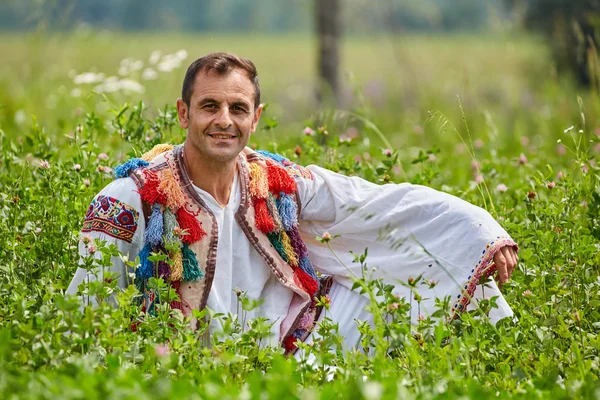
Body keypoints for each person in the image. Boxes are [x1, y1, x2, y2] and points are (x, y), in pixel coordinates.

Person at [67, 52, 518, 355]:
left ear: (256, 119)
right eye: (209, 106)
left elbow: (375, 203)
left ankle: (511, 364)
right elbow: (86, 309)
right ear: (184, 114)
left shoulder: (276, 181)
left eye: (238, 109)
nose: (224, 121)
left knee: (461, 270)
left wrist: (480, 229)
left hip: (287, 352)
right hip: (177, 366)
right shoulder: (132, 197)